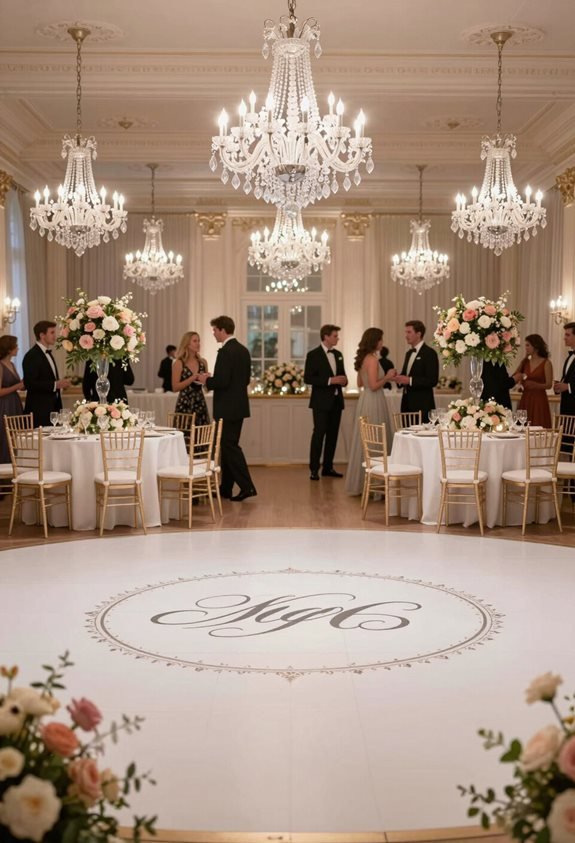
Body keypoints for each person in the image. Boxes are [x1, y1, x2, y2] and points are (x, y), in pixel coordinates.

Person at [197, 316, 256, 501]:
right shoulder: (244, 350)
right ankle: (226, 488)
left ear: (222, 330)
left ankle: (247, 487)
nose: (213, 334)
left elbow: (222, 381)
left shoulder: (225, 352)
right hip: (239, 406)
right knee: (227, 446)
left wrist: (206, 380)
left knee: (229, 446)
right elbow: (244, 380)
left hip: (226, 407)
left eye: (214, 330)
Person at [345, 328, 396, 496]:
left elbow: (361, 382)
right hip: (374, 400)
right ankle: (377, 486)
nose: (382, 342)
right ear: (375, 341)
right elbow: (374, 385)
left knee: (365, 441)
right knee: (377, 440)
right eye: (380, 339)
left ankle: (364, 484)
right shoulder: (373, 359)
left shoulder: (363, 359)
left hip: (364, 400)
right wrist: (387, 376)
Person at [304, 324, 348, 481]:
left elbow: (343, 376)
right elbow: (308, 378)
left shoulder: (339, 355)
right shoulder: (313, 355)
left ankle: (328, 467)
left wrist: (344, 381)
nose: (338, 338)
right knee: (319, 435)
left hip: (336, 401)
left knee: (333, 436)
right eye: (335, 336)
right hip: (321, 402)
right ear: (326, 336)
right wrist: (330, 380)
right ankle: (314, 469)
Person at [23, 320, 70, 427]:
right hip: (40, 410)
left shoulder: (46, 353)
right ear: (42, 335)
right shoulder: (32, 356)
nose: (55, 336)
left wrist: (59, 385)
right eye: (52, 332)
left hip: (52, 407)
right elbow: (29, 383)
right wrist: (55, 384)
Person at [393, 320, 438, 423]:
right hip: (406, 403)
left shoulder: (430, 353)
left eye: (409, 332)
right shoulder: (409, 353)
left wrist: (410, 380)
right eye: (406, 332)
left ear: (419, 334)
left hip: (422, 405)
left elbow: (432, 380)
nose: (406, 335)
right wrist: (397, 378)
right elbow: (406, 376)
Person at [513, 334, 553, 427]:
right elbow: (515, 375)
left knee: (538, 424)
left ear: (535, 346)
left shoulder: (546, 363)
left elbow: (549, 384)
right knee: (522, 426)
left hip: (539, 399)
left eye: (528, 345)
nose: (526, 348)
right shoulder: (525, 362)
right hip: (526, 398)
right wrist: (524, 359)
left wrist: (536, 385)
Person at [172, 332, 210, 425]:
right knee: (184, 434)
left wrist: (208, 380)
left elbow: (206, 389)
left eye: (199, 341)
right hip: (184, 403)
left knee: (200, 435)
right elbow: (175, 388)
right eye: (195, 341)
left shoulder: (203, 362)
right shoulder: (179, 363)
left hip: (200, 402)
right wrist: (192, 378)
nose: (198, 343)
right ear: (187, 344)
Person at [0, 335, 24, 463]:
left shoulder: (12, 364)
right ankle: (5, 471)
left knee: (16, 435)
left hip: (15, 403)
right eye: (15, 345)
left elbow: (16, 386)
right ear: (9, 349)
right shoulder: (0, 365)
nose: (18, 348)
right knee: (5, 437)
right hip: (4, 405)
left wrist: (23, 385)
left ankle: (16, 465)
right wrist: (17, 386)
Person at [554, 321, 575, 417]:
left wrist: (568, 387)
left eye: (568, 335)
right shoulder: (569, 357)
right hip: (566, 407)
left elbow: (569, 385)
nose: (564, 338)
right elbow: (567, 379)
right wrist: (559, 386)